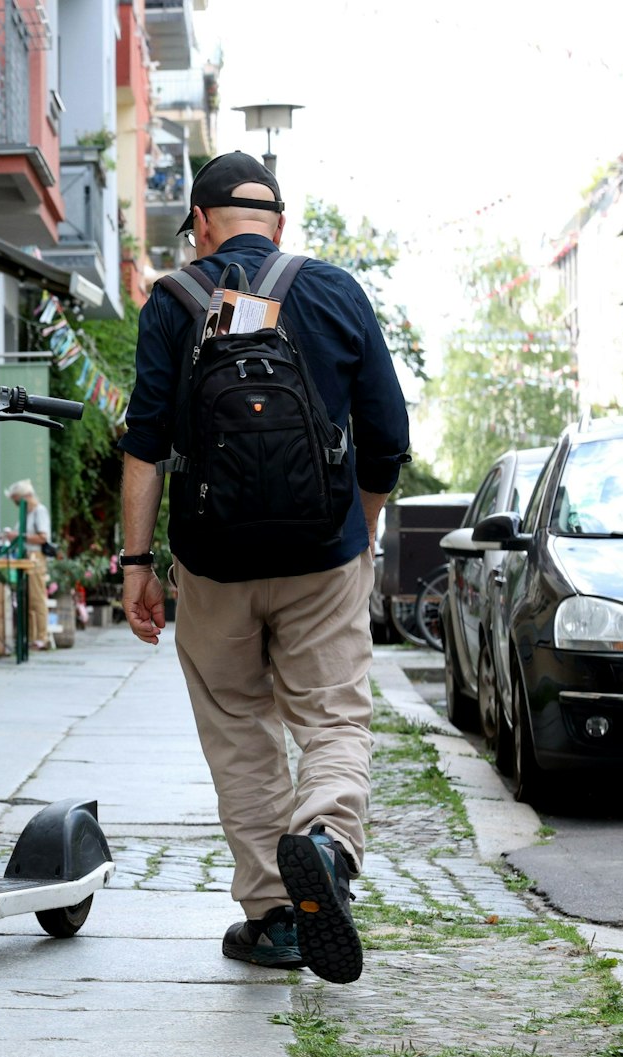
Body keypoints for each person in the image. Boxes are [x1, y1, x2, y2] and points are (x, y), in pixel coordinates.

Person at [115, 152, 410, 984]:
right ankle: (326, 841)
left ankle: (276, 917)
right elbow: (387, 434)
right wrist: (361, 527)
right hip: (323, 555)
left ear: (199, 225)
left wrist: (138, 565)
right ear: (280, 222)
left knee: (239, 728)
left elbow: (144, 445)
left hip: (212, 562)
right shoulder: (336, 291)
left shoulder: (172, 300)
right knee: (333, 717)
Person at [2, 480, 53, 650]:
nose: (17, 505)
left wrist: (19, 536)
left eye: (17, 501)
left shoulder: (39, 511)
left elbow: (42, 537)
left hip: (35, 556)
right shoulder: (27, 514)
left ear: (27, 497)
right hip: (25, 555)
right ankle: (32, 637)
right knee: (28, 598)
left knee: (37, 597)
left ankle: (41, 637)